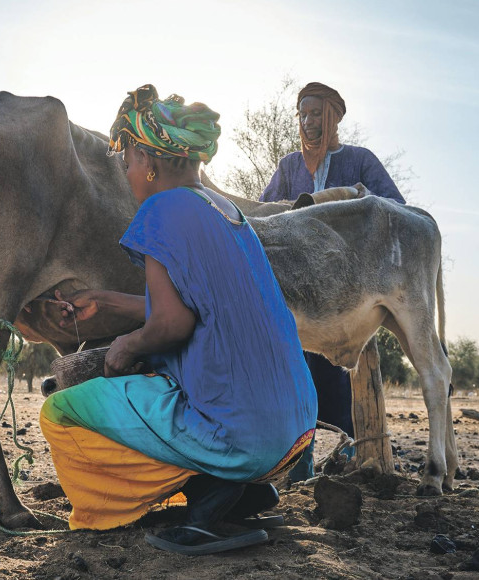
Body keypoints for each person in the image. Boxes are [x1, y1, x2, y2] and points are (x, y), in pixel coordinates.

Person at [39, 84, 317, 555]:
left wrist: (126, 346)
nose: (126, 171)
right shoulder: (226, 212)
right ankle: (242, 490)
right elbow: (201, 309)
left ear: (150, 159)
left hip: (240, 434)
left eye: (127, 159)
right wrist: (105, 303)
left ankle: (199, 497)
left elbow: (172, 325)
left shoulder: (160, 209)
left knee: (60, 412)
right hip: (295, 431)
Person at [260, 82, 406, 482]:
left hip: (347, 294)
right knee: (297, 375)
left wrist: (352, 201)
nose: (309, 123)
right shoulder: (290, 167)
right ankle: (300, 468)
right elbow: (264, 213)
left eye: (317, 114)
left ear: (335, 117)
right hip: (298, 294)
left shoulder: (359, 160)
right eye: (303, 114)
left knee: (345, 381)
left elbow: (394, 206)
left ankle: (357, 461)